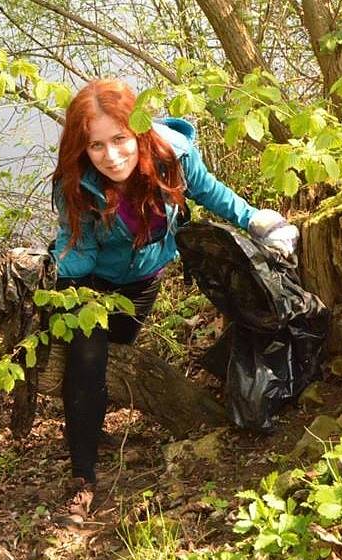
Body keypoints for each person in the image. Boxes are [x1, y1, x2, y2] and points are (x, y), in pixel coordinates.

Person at [50, 78, 298, 524]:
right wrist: (50, 280)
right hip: (89, 287)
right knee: (87, 362)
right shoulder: (77, 185)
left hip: (143, 281)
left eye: (120, 139)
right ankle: (82, 477)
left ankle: (94, 421)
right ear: (82, 149)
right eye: (96, 146)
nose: (112, 156)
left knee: (119, 349)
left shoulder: (171, 157)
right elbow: (77, 252)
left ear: (138, 131)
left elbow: (211, 193)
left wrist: (258, 221)